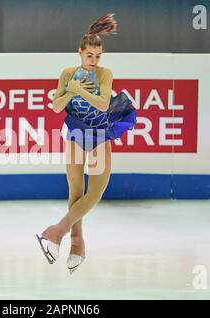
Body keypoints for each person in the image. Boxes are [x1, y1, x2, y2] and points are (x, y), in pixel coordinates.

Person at [36, 13, 137, 274]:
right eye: (89, 55)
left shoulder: (105, 74)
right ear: (79, 53)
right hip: (76, 131)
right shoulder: (67, 73)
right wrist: (71, 89)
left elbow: (103, 104)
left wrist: (79, 90)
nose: (93, 61)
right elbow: (57, 106)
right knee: (76, 191)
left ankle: (56, 231)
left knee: (96, 193)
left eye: (97, 56)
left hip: (100, 131)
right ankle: (77, 243)